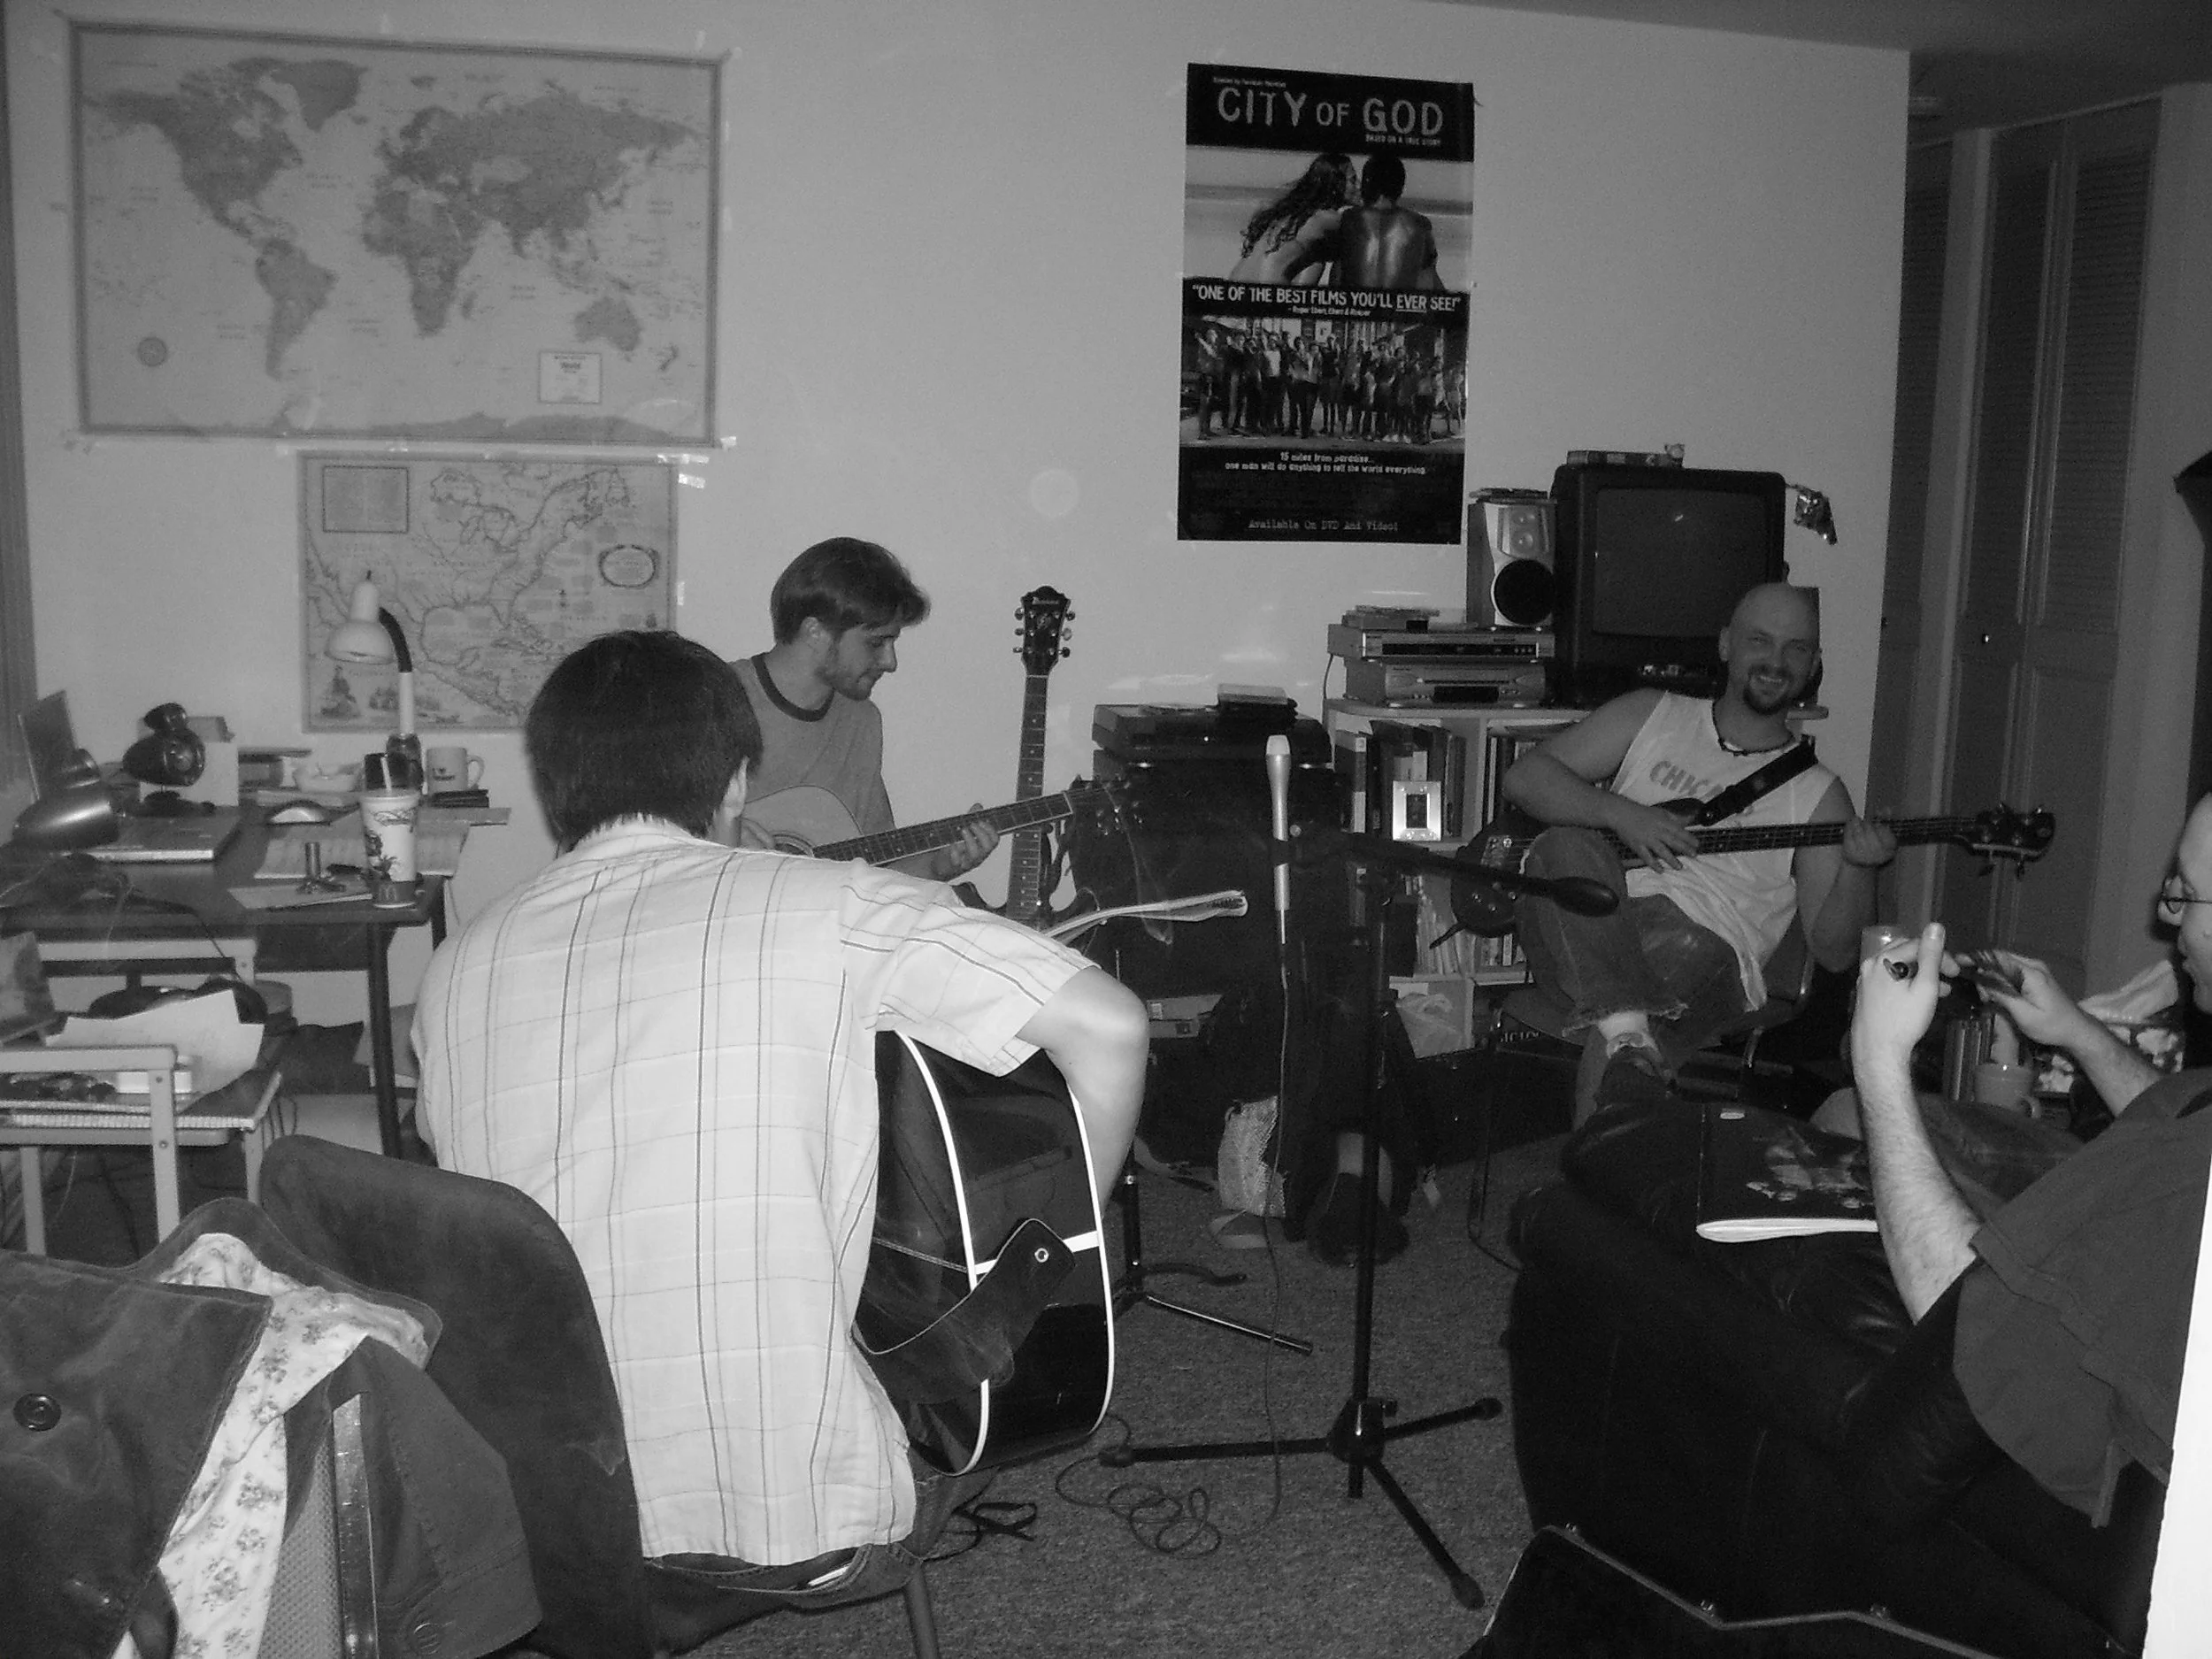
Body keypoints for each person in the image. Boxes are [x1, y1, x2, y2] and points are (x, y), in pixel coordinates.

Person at [412, 630, 1148, 1627]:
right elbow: (1106, 1024)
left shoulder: (462, 962)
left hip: (531, 1520)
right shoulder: (829, 904)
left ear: (557, 788)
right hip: (793, 1526)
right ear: (730, 782)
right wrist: (1056, 1257)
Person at [1847, 792, 2212, 1523]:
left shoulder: (2178, 1193)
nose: (2169, 915)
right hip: (2130, 1194)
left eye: (2188, 893)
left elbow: (1960, 1321)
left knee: (1862, 1132)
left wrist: (1878, 1058)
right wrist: (2072, 1028)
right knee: (1910, 1136)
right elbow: (2182, 1113)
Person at [1502, 582, 1897, 1119]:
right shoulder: (1652, 713)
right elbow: (1525, 778)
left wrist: (1860, 869)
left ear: (1814, 664)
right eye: (1760, 641)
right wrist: (1623, 814)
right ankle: (1627, 1033)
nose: (1776, 662)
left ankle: (1623, 1037)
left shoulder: (1820, 794)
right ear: (1727, 645)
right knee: (1563, 845)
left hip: (1704, 948)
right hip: (1584, 926)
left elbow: (1833, 951)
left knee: (1625, 1020)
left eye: (1796, 648)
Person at [733, 537, 996, 882]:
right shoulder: (709, 697)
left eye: (892, 643)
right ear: (816, 632)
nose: (890, 662)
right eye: (876, 643)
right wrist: (715, 835)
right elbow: (645, 833)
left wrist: (940, 865)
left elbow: (875, 870)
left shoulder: (862, 721)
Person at [1227, 152, 1356, 285]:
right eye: (1353, 180)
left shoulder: (1288, 213)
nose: (1358, 186)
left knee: (1315, 259)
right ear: (1336, 185)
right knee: (1323, 257)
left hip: (1234, 286)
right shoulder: (1325, 219)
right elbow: (1364, 224)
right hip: (1266, 294)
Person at [1335, 152, 1442, 292]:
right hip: (1397, 311)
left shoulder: (1348, 218)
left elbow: (1337, 278)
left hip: (1356, 308)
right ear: (1400, 186)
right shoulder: (1420, 224)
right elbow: (1428, 281)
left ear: (1367, 183)